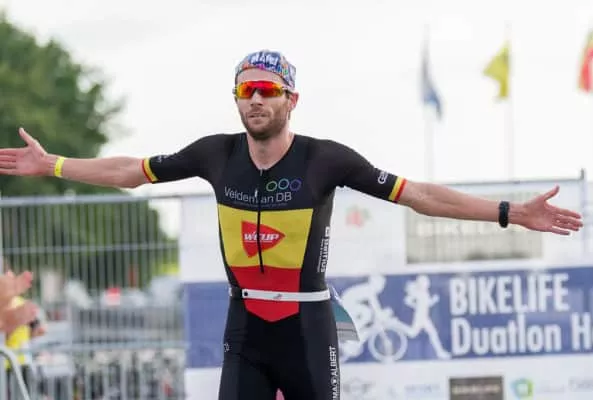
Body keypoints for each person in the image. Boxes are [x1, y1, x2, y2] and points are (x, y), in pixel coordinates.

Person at [0, 49, 582, 399]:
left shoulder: (325, 159)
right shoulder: (215, 153)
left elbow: (420, 196)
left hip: (307, 326)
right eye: (244, 90)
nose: (254, 100)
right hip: (245, 326)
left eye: (266, 91)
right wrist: (54, 164)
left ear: (291, 99)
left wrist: (509, 212)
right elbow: (132, 171)